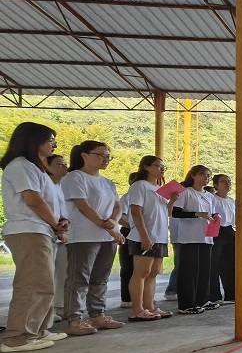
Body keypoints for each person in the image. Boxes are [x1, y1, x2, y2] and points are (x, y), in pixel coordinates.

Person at [0, 122, 67, 352]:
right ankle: (17, 337)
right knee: (32, 284)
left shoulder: (37, 168)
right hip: (29, 229)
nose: (53, 144)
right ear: (33, 140)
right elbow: (33, 200)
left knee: (44, 283)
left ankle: (38, 330)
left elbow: (48, 201)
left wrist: (60, 221)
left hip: (42, 229)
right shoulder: (21, 165)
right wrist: (55, 224)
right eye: (50, 140)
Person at [63, 140, 126, 335]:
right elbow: (83, 206)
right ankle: (75, 319)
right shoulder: (74, 177)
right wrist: (106, 226)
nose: (105, 159)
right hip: (84, 236)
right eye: (100, 155)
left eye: (108, 156)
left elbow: (117, 206)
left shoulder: (107, 182)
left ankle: (97, 314)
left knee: (100, 278)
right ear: (84, 155)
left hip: (108, 236)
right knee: (79, 278)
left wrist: (113, 221)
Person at [124, 156, 174, 322]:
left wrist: (172, 201)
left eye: (163, 166)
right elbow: (136, 212)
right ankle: (137, 310)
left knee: (153, 273)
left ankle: (150, 307)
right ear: (146, 167)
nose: (162, 169)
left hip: (159, 235)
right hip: (143, 235)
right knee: (141, 272)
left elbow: (166, 212)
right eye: (158, 165)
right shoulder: (139, 185)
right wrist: (144, 236)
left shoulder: (160, 189)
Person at [172, 165, 219, 314]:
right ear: (193, 175)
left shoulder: (209, 195)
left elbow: (212, 212)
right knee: (189, 271)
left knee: (204, 270)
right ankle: (186, 304)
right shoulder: (186, 192)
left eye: (208, 175)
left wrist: (215, 216)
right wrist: (196, 214)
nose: (206, 178)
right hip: (190, 237)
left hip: (206, 237)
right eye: (203, 175)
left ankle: (202, 299)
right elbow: (176, 213)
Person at [45, 154, 69, 322]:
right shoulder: (45, 184)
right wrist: (56, 226)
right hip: (48, 232)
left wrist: (64, 221)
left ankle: (58, 305)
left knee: (62, 271)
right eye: (60, 164)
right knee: (47, 274)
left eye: (65, 164)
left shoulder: (60, 187)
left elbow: (63, 212)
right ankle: (47, 310)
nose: (65, 167)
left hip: (61, 234)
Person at [209, 174, 236, 302]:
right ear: (215, 184)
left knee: (230, 263)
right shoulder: (212, 199)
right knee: (214, 263)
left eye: (229, 181)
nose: (227, 183)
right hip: (216, 231)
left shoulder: (231, 201)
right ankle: (214, 296)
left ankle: (231, 294)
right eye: (223, 181)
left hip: (229, 231)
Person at [117, 173, 136, 309]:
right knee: (128, 266)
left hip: (141, 232)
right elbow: (120, 218)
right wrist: (134, 227)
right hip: (129, 231)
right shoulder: (127, 197)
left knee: (141, 267)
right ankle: (127, 298)